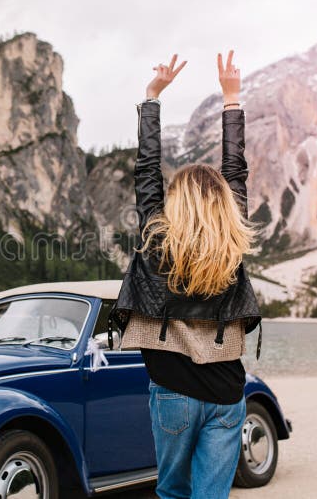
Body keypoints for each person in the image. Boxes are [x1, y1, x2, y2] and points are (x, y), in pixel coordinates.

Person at [110, 51, 263, 499]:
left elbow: (146, 171)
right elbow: (236, 170)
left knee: (172, 493)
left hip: (173, 390)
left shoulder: (158, 238)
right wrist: (231, 98)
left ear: (176, 203)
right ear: (223, 206)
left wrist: (152, 97)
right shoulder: (231, 244)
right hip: (227, 393)